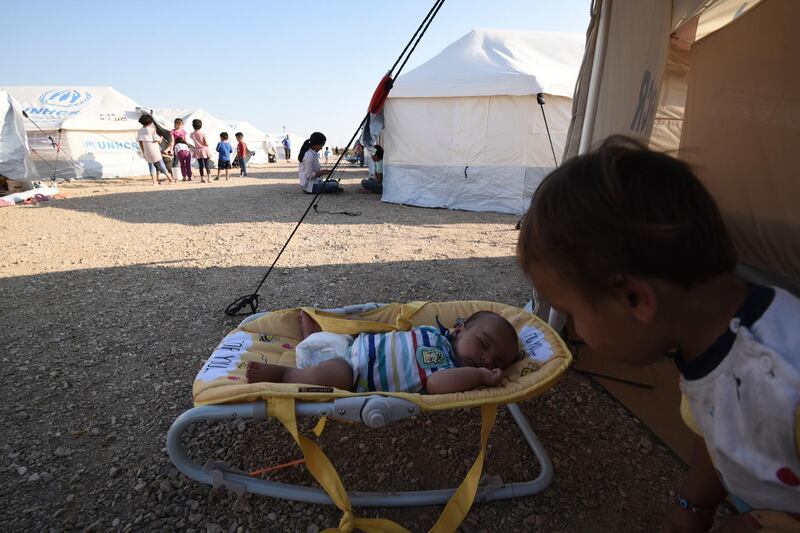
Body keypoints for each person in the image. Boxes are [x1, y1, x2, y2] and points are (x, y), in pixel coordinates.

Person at [516, 136, 800, 532]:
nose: (577, 330)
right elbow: (715, 428)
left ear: (634, 298)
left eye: (574, 314)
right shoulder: (707, 342)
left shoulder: (783, 381)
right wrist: (694, 505)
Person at [246, 310, 519, 394]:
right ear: (459, 329)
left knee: (334, 374)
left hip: (356, 375)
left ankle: (284, 375)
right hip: (354, 346)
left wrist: (481, 375)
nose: (486, 358)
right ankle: (312, 339)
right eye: (483, 345)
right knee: (327, 346)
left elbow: (435, 384)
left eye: (495, 361)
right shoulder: (438, 335)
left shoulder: (453, 370)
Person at [137, 115, 173, 185]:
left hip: (146, 150)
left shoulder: (139, 131)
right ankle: (171, 179)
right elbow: (158, 140)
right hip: (155, 150)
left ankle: (154, 181)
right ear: (150, 122)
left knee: (151, 166)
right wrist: (161, 138)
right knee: (161, 165)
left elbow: (140, 143)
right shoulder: (152, 129)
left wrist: (143, 152)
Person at [190, 119, 212, 183]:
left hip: (197, 150)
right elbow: (206, 143)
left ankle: (202, 178)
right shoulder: (202, 134)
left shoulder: (192, 134)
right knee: (207, 164)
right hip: (204, 150)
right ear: (201, 126)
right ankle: (209, 178)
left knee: (201, 165)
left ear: (193, 126)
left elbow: (193, 138)